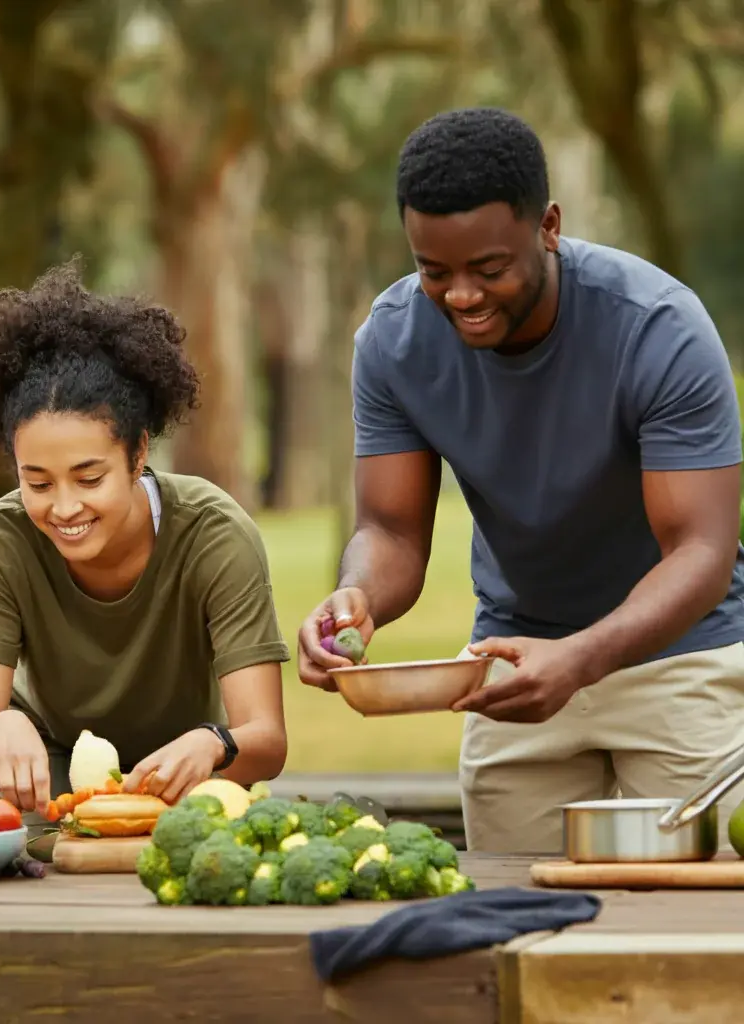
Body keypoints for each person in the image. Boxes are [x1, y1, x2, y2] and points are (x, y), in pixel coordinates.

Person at [298, 107, 744, 854]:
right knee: (507, 905)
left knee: (693, 909)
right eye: (434, 271)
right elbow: (391, 532)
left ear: (549, 227)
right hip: (510, 662)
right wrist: (357, 597)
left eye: (489, 269)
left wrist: (580, 659)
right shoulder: (393, 342)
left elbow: (701, 552)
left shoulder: (657, 327)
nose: (461, 296)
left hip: (680, 658)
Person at [0, 261, 289, 815]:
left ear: (138, 452)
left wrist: (216, 743)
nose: (64, 508)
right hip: (49, 776)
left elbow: (265, 739)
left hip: (188, 773)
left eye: (89, 478)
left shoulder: (215, 536)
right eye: (37, 483)